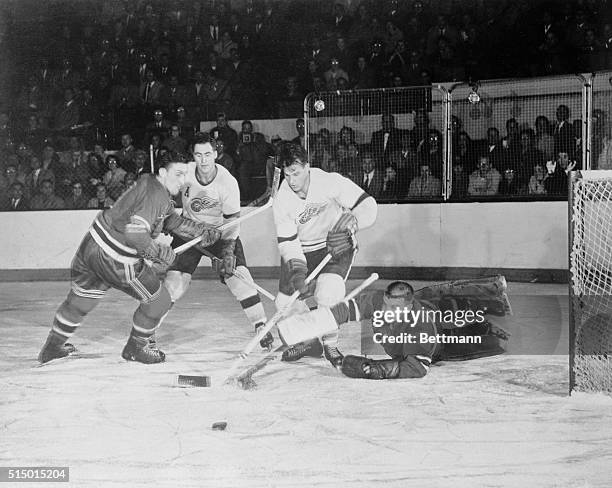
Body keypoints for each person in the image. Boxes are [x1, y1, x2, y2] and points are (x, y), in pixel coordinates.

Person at [38, 152, 222, 364]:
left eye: (185, 175)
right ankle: (136, 348)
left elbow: (172, 221)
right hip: (115, 257)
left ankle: (52, 347)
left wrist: (201, 230)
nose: (183, 181)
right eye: (178, 174)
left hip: (92, 246)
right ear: (163, 172)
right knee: (159, 301)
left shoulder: (150, 185)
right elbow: (135, 234)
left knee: (80, 302)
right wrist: (159, 252)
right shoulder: (157, 194)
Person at [276, 276, 511, 378]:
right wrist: (304, 326)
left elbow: (416, 368)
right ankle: (489, 292)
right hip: (426, 308)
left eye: (394, 309)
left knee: (490, 341)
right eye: (387, 305)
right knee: (438, 297)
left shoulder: (421, 329)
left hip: (442, 343)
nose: (386, 313)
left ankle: (489, 315)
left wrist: (374, 369)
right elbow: (344, 311)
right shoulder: (380, 302)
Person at [272, 142, 378, 368]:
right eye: (287, 174)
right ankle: (310, 342)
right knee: (284, 303)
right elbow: (288, 242)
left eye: (297, 173)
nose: (292, 181)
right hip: (302, 250)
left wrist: (353, 225)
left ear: (307, 167)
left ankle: (330, 344)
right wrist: (299, 270)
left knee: (328, 292)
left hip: (335, 246)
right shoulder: (281, 199)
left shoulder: (329, 181)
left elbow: (368, 204)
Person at [163, 133, 272, 349]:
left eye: (207, 154)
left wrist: (228, 252)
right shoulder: (183, 173)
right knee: (175, 284)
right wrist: (168, 219)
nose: (203, 160)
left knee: (239, 278)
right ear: (193, 156)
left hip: (220, 233)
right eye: (198, 155)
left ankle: (261, 326)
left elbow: (233, 222)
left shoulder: (228, 183)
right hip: (189, 232)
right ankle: (148, 332)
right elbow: (164, 199)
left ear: (215, 154)